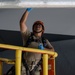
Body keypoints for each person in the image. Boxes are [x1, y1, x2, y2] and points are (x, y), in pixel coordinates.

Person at [20, 8, 54, 75]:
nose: (37, 26)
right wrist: (27, 11)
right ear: (33, 28)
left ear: (43, 29)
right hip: (24, 66)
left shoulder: (44, 41)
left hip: (36, 68)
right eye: (36, 25)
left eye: (39, 25)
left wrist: (43, 49)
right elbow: (22, 23)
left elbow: (52, 51)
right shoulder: (28, 36)